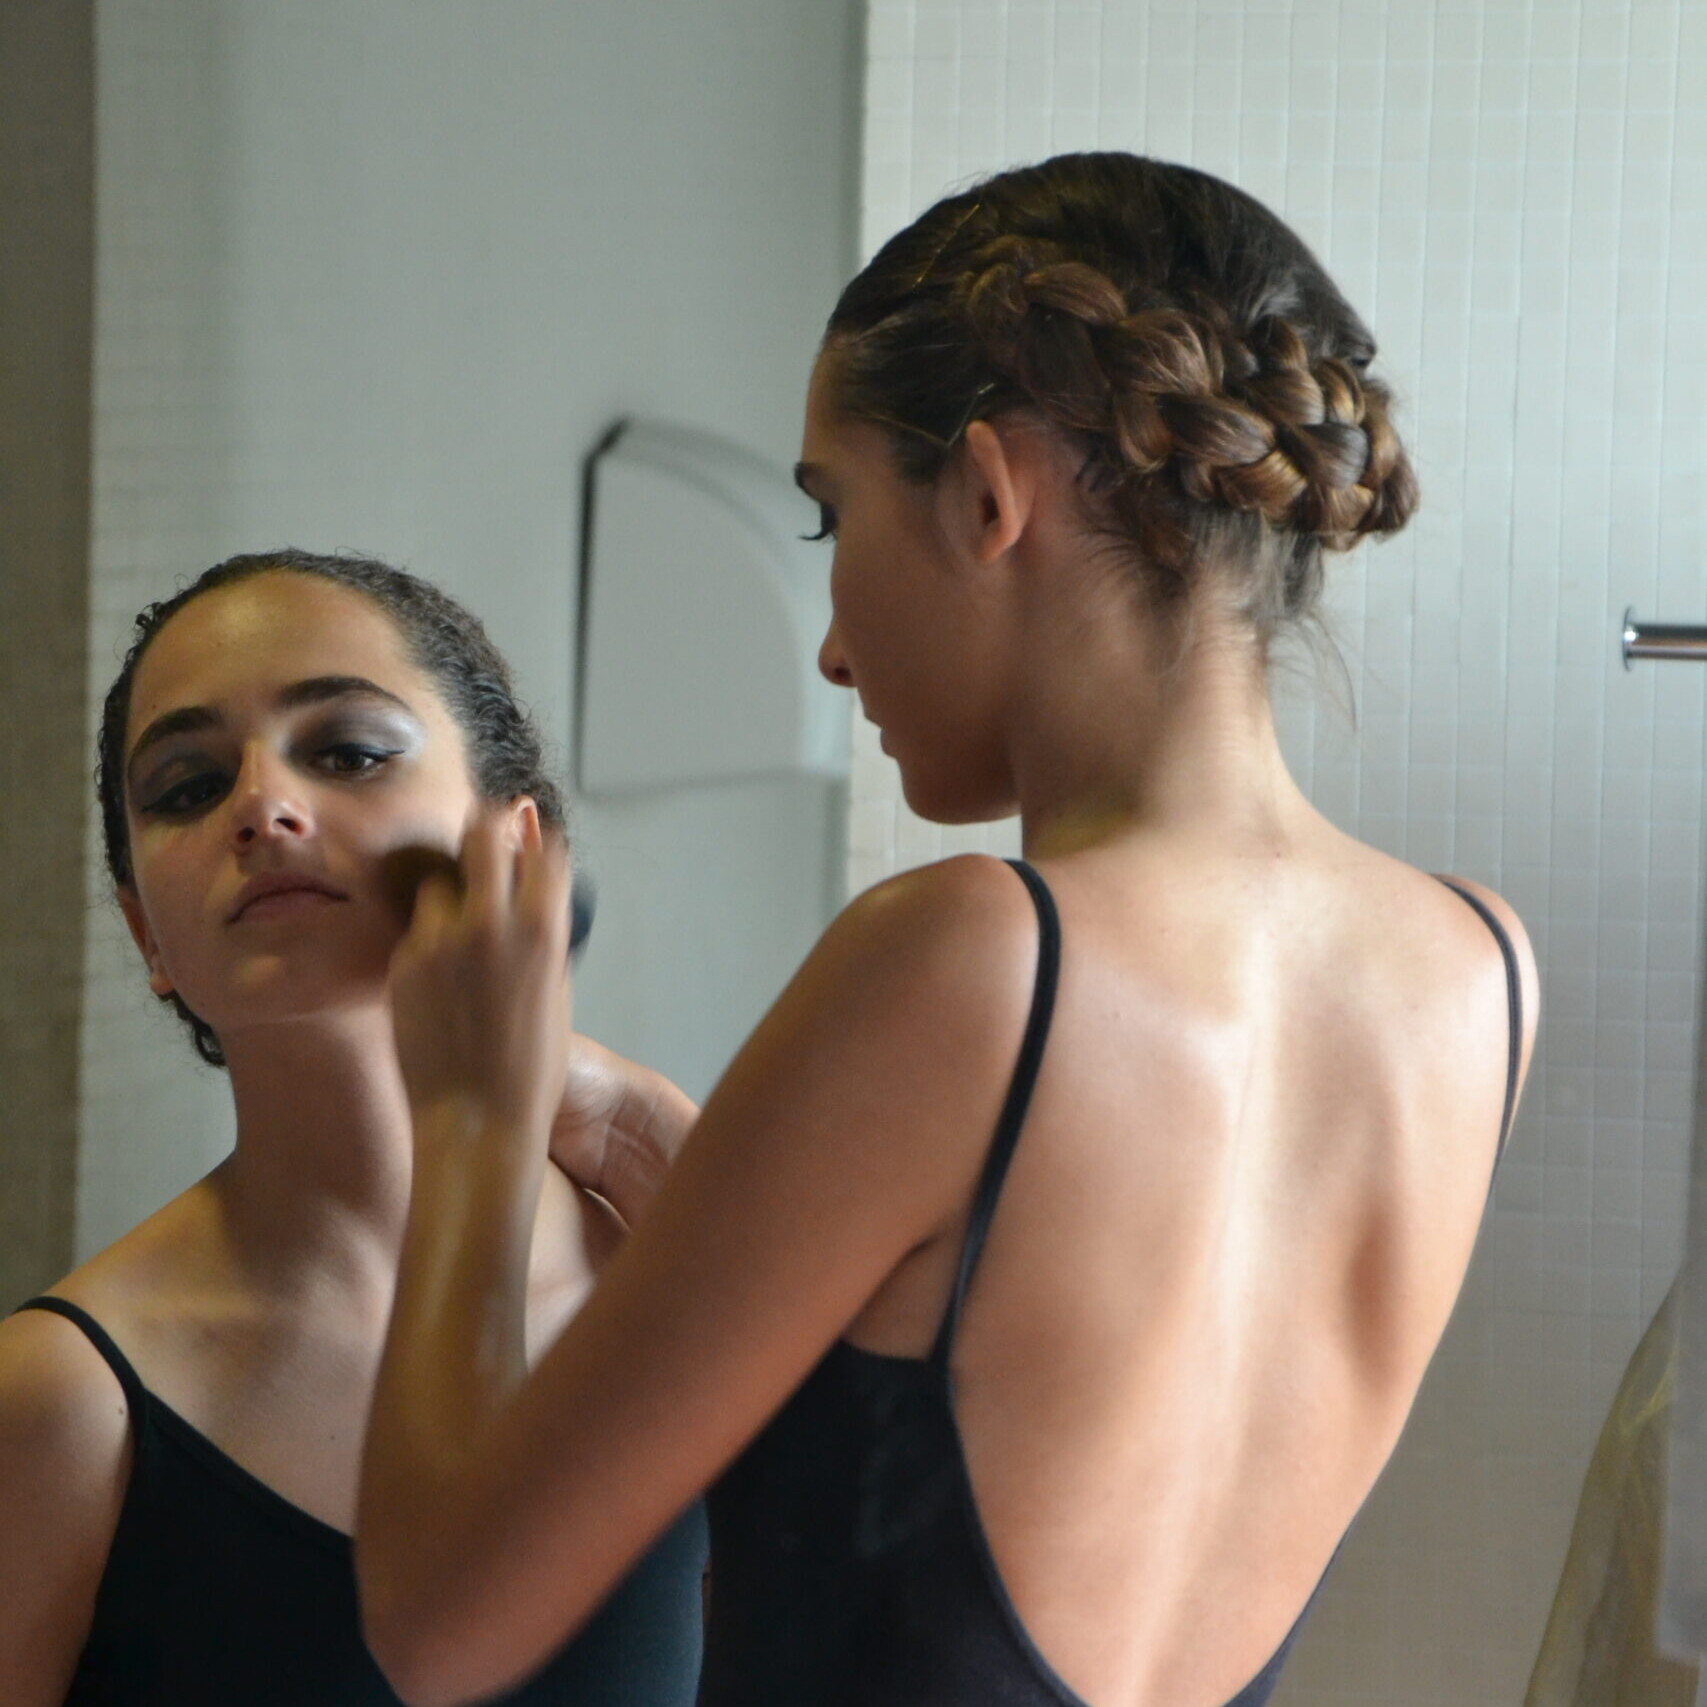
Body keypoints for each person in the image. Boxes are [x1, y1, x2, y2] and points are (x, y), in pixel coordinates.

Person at [355, 151, 1540, 1707]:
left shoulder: (970, 954)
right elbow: (1008, 1346)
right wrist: (615, 1116)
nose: (833, 651)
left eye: (827, 515)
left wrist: (466, 1120)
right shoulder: (1472, 967)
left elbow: (442, 1622)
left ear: (988, 495)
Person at [0, 550, 708, 1707]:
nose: (261, 806)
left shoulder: (678, 1280)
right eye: (187, 785)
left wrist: (619, 1107)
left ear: (516, 847)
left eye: (348, 752)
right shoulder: (60, 1404)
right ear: (147, 938)